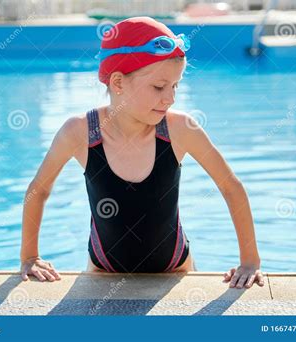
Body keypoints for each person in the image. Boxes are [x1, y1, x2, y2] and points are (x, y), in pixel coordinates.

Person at [20, 17, 264, 289]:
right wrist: (30, 257)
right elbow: (38, 190)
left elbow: (231, 186)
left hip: (175, 269)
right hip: (103, 272)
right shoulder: (81, 133)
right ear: (118, 83)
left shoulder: (179, 129)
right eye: (159, 87)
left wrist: (250, 261)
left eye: (175, 86)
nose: (170, 98)